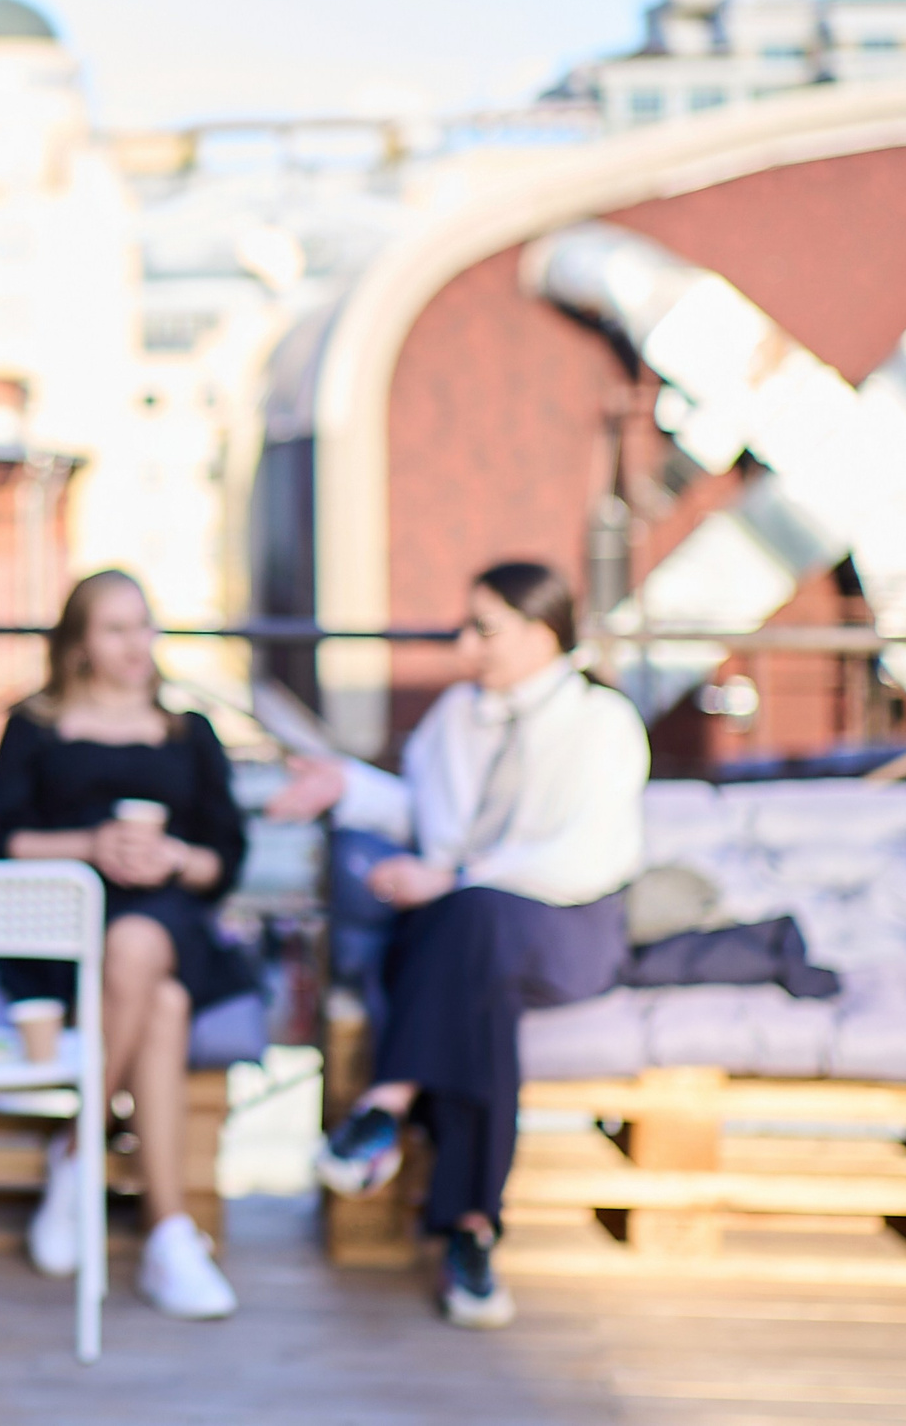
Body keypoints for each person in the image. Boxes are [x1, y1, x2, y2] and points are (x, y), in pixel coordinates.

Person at [268, 561, 645, 1331]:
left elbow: (583, 857)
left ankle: (387, 1100)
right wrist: (347, 785)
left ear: (542, 633)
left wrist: (455, 879)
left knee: (473, 914)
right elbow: (423, 814)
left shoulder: (602, 721)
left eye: (485, 627)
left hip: (566, 926)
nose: (465, 642)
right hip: (471, 943)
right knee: (482, 985)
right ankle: (471, 1231)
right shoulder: (455, 718)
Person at [0, 569, 246, 1320]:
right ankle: (167, 1232)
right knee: (161, 1001)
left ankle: (76, 1148)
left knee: (141, 942)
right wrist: (89, 843)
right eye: (116, 628)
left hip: (167, 915)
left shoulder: (191, 732)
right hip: (59, 925)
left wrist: (175, 859)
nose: (136, 644)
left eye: (144, 625)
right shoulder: (35, 725)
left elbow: (226, 854)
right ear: (81, 642)